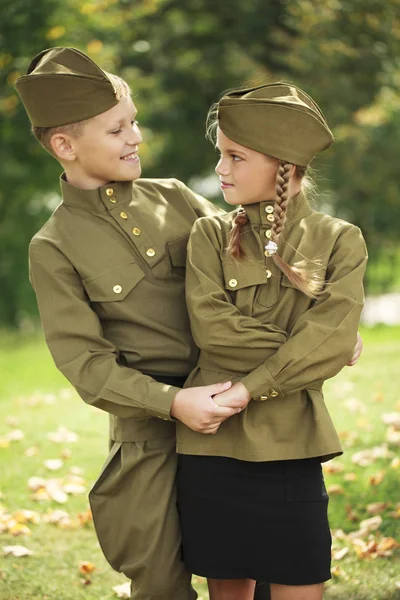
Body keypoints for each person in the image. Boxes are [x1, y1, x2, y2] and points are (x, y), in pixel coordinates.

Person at [15, 51, 362, 600]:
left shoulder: (177, 197)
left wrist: (326, 332)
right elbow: (86, 364)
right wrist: (175, 404)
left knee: (274, 562)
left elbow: (263, 256)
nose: (137, 135)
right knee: (160, 580)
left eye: (133, 119)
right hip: (150, 437)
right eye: (118, 127)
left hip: (242, 416)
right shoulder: (53, 247)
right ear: (65, 145)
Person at [176, 83, 368, 600]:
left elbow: (330, 339)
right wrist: (320, 341)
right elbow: (212, 329)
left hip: (291, 448)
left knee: (300, 581)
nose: (221, 169)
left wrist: (249, 388)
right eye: (220, 155)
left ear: (284, 165)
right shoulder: (210, 236)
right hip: (212, 450)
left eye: (235, 156)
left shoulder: (339, 240)